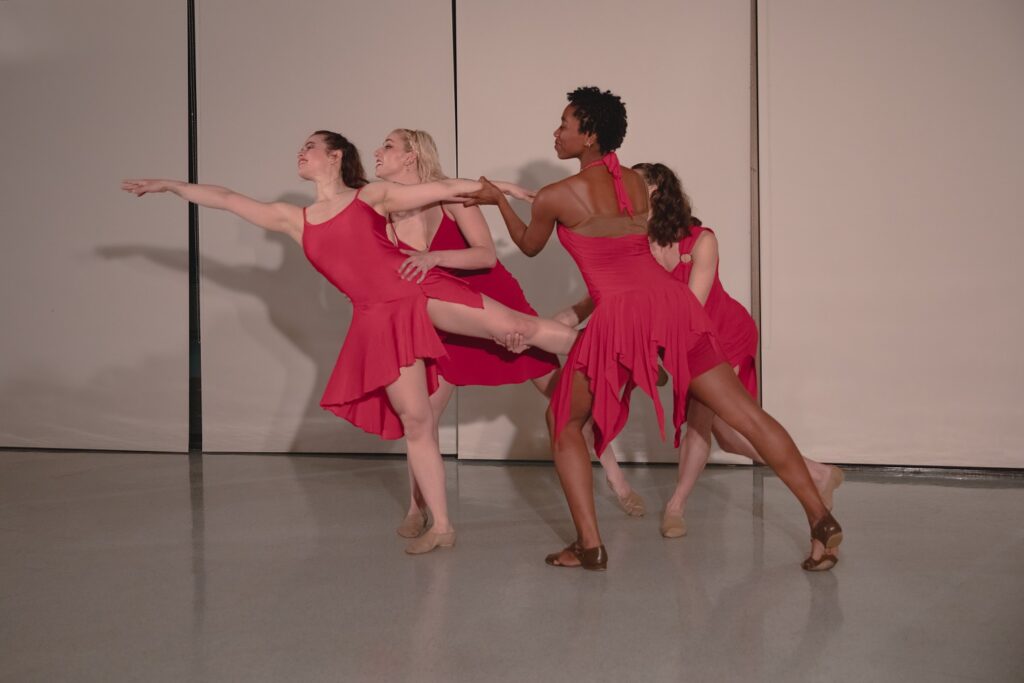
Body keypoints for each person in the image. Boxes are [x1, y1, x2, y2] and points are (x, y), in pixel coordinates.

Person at [122, 130, 578, 555]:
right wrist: (170, 185)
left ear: (336, 156)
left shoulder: (371, 197)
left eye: (311, 146)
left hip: (420, 293)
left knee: (522, 328)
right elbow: (225, 198)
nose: (301, 153)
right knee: (416, 422)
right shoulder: (294, 219)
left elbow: (443, 187)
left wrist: (506, 191)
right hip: (376, 322)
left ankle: (606, 342)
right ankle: (441, 526)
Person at [463, 87, 843, 571]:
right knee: (746, 415)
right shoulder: (637, 185)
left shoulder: (559, 196)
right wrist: (523, 195)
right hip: (674, 305)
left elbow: (529, 243)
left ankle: (590, 545)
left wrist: (498, 199)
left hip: (622, 317)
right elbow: (597, 212)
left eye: (564, 125)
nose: (555, 133)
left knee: (563, 422)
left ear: (590, 135)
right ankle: (820, 518)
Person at [374, 129, 646, 538]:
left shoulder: (450, 198)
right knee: (421, 420)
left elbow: (484, 253)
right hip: (444, 320)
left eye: (389, 146)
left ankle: (617, 479)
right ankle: (417, 508)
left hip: (494, 301)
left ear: (412, 157)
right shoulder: (383, 209)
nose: (378, 152)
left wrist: (434, 257)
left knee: (563, 397)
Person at [629, 162, 844, 538]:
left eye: (635, 185)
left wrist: (654, 352)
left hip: (721, 335)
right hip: (683, 340)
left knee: (699, 415)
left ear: (657, 192)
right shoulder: (635, 242)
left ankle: (676, 505)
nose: (625, 191)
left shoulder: (700, 239)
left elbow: (690, 309)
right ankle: (819, 472)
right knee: (728, 437)